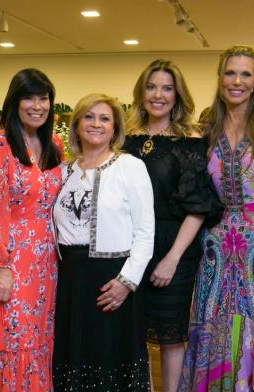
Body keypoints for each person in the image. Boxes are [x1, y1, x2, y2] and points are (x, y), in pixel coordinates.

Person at [123, 59, 222, 392]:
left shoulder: (191, 141)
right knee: (131, 333)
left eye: (167, 88)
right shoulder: (124, 140)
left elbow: (198, 207)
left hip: (172, 246)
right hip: (130, 248)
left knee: (170, 335)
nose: (158, 95)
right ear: (141, 92)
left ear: (178, 96)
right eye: (151, 87)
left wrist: (172, 258)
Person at [52, 93, 155, 391]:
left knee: (112, 359)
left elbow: (146, 233)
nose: (96, 124)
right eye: (89, 116)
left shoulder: (130, 167)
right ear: (76, 124)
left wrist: (127, 281)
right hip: (70, 279)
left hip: (113, 278)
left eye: (104, 118)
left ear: (115, 128)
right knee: (74, 356)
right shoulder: (63, 171)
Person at [0, 68, 62, 391]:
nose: (37, 105)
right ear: (15, 102)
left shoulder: (53, 143)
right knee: (12, 340)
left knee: (40, 339)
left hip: (46, 263)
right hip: (11, 262)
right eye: (29, 97)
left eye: (44, 98)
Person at [179, 46, 254, 391]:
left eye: (246, 74)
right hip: (214, 251)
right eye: (230, 73)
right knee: (215, 326)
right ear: (220, 78)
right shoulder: (203, 130)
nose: (236, 81)